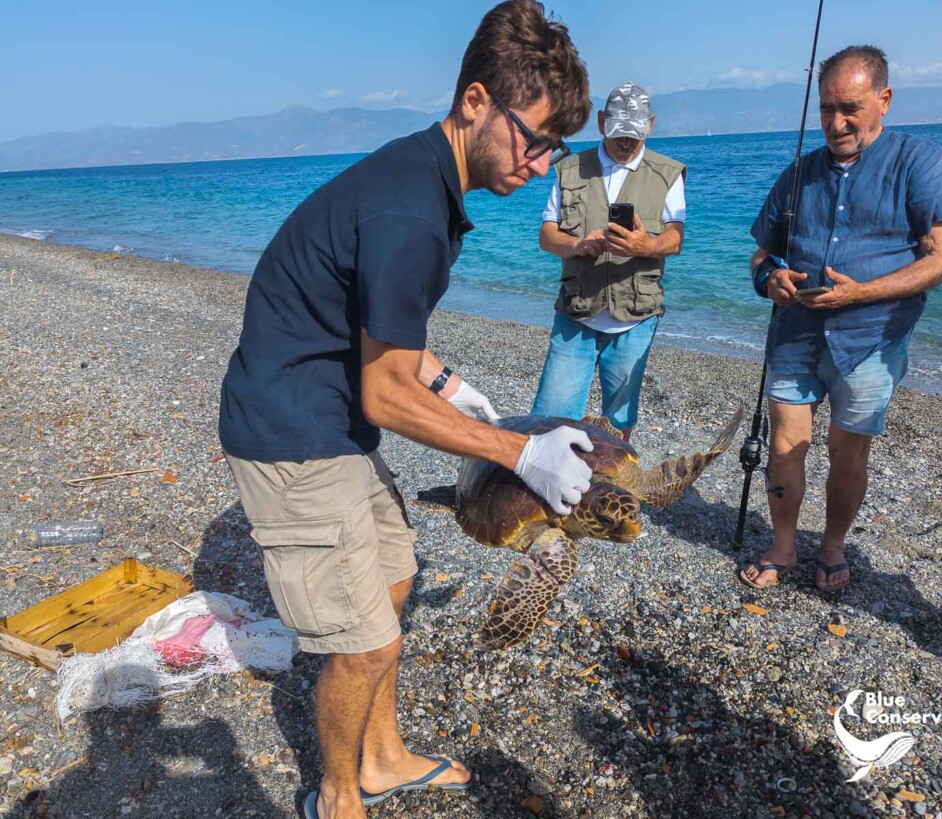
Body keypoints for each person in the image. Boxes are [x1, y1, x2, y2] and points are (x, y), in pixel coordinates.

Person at [217, 3, 593, 817]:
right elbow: (383, 393)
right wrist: (515, 452)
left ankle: (382, 758)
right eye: (532, 138)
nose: (540, 165)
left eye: (555, 149)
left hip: (326, 413)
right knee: (367, 642)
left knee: (394, 577)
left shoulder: (420, 180)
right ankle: (337, 795)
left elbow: (371, 319)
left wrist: (449, 381)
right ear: (475, 103)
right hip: (289, 431)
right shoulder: (410, 213)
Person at [739, 45, 942, 594]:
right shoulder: (797, 174)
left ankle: (832, 545)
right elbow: (760, 254)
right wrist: (770, 280)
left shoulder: (923, 162)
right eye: (826, 109)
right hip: (794, 333)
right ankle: (784, 545)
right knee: (787, 443)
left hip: (871, 340)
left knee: (847, 449)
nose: (836, 123)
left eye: (851, 108)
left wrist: (860, 294)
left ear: (884, 100)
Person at [531, 81, 686, 441]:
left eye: (634, 135)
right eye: (618, 134)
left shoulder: (667, 174)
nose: (625, 143)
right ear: (601, 122)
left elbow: (675, 239)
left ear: (650, 125)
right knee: (550, 418)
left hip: (635, 319)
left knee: (618, 426)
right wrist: (578, 245)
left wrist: (646, 245)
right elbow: (546, 236)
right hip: (577, 313)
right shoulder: (569, 170)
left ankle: (603, 492)